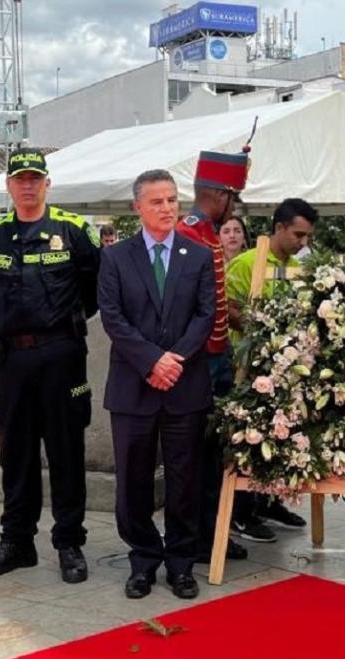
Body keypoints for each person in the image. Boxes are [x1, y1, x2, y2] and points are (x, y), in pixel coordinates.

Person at [0, 149, 100, 584]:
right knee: (16, 451)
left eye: (35, 178)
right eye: (20, 179)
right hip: (13, 360)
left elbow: (93, 290)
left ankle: (69, 542)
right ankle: (17, 541)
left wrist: (60, 327)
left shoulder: (74, 230)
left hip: (62, 355)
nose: (27, 185)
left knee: (66, 450)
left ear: (47, 183)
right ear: (9, 186)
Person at [98, 169, 215, 600]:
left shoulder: (198, 255)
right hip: (134, 386)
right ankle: (143, 559)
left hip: (184, 385)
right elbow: (113, 317)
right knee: (134, 481)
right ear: (137, 208)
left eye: (171, 200)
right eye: (156, 202)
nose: (166, 208)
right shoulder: (115, 257)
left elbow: (206, 316)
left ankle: (181, 563)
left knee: (185, 479)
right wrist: (152, 361)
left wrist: (175, 360)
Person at [224, 198, 316, 543]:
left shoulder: (296, 266)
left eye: (307, 237)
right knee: (249, 439)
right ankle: (242, 513)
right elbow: (227, 306)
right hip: (247, 367)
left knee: (281, 437)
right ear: (278, 227)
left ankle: (269, 500)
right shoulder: (248, 263)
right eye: (298, 234)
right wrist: (260, 327)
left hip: (286, 370)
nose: (302, 242)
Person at [175, 147, 251, 563]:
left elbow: (220, 304)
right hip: (197, 363)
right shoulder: (189, 234)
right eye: (233, 198)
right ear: (220, 195)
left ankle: (211, 531)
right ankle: (198, 536)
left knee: (211, 456)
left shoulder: (205, 234)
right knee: (195, 457)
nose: (234, 208)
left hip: (216, 360)